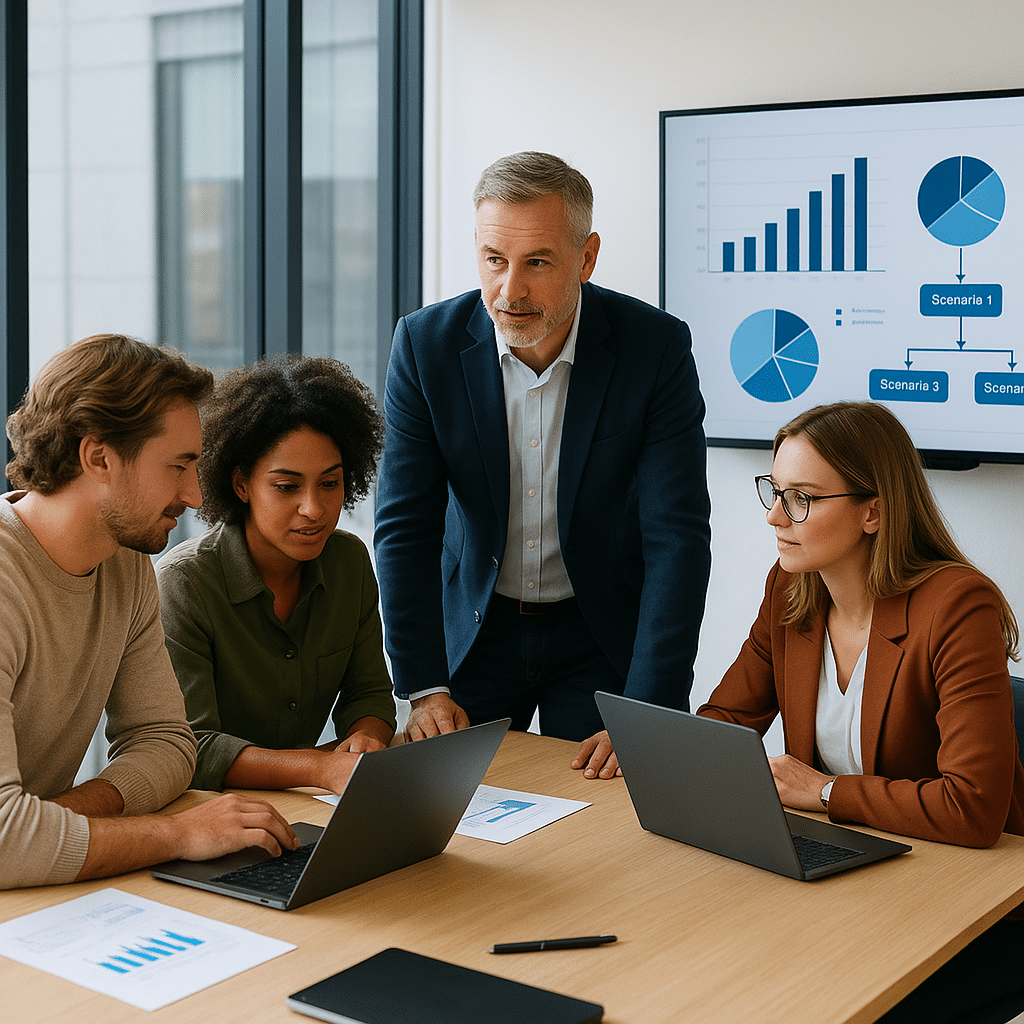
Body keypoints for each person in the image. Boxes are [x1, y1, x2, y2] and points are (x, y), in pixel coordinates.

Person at [374, 151, 711, 779]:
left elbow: (676, 539)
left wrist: (648, 708)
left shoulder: (655, 348)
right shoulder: (425, 346)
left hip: (599, 633)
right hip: (473, 632)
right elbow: (404, 527)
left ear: (586, 258)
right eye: (494, 259)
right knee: (454, 812)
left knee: (612, 810)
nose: (510, 291)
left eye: (537, 262)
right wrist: (423, 685)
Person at [697, 400, 1024, 1023]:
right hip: (852, 874)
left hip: (966, 898)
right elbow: (727, 721)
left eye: (802, 498)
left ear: (873, 511)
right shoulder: (791, 587)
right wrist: (654, 746)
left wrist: (823, 792)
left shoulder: (957, 606)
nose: (775, 516)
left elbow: (974, 809)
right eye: (775, 491)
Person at [0, 334, 298, 890]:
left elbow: (166, 743)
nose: (195, 496)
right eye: (178, 467)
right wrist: (177, 835)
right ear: (99, 458)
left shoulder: (123, 562)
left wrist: (56, 821)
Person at [157, 355, 396, 794]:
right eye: (287, 487)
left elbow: (369, 694)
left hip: (309, 803)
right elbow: (193, 747)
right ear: (241, 484)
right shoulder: (184, 584)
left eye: (330, 483)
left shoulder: (349, 562)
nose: (314, 509)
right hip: (207, 812)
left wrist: (367, 737)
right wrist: (319, 769)